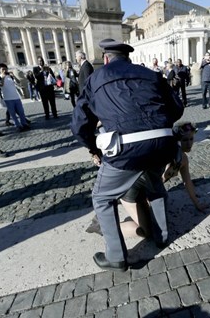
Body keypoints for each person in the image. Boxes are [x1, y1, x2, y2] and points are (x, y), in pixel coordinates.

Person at [71, 38, 184, 271]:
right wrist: (156, 128)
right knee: (155, 186)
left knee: (102, 198)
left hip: (127, 149)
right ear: (128, 58)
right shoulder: (151, 74)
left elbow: (80, 125)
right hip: (163, 143)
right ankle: (162, 235)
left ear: (105, 59)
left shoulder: (95, 79)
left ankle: (116, 256)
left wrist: (93, 148)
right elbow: (177, 108)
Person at [0, 63, 30, 132]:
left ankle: (24, 124)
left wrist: (14, 76)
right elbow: (1, 85)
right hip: (7, 98)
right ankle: (18, 125)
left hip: (16, 97)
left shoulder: (10, 76)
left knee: (21, 112)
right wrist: (3, 77)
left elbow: (18, 82)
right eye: (3, 69)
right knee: (12, 113)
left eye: (5, 69)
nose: (4, 70)